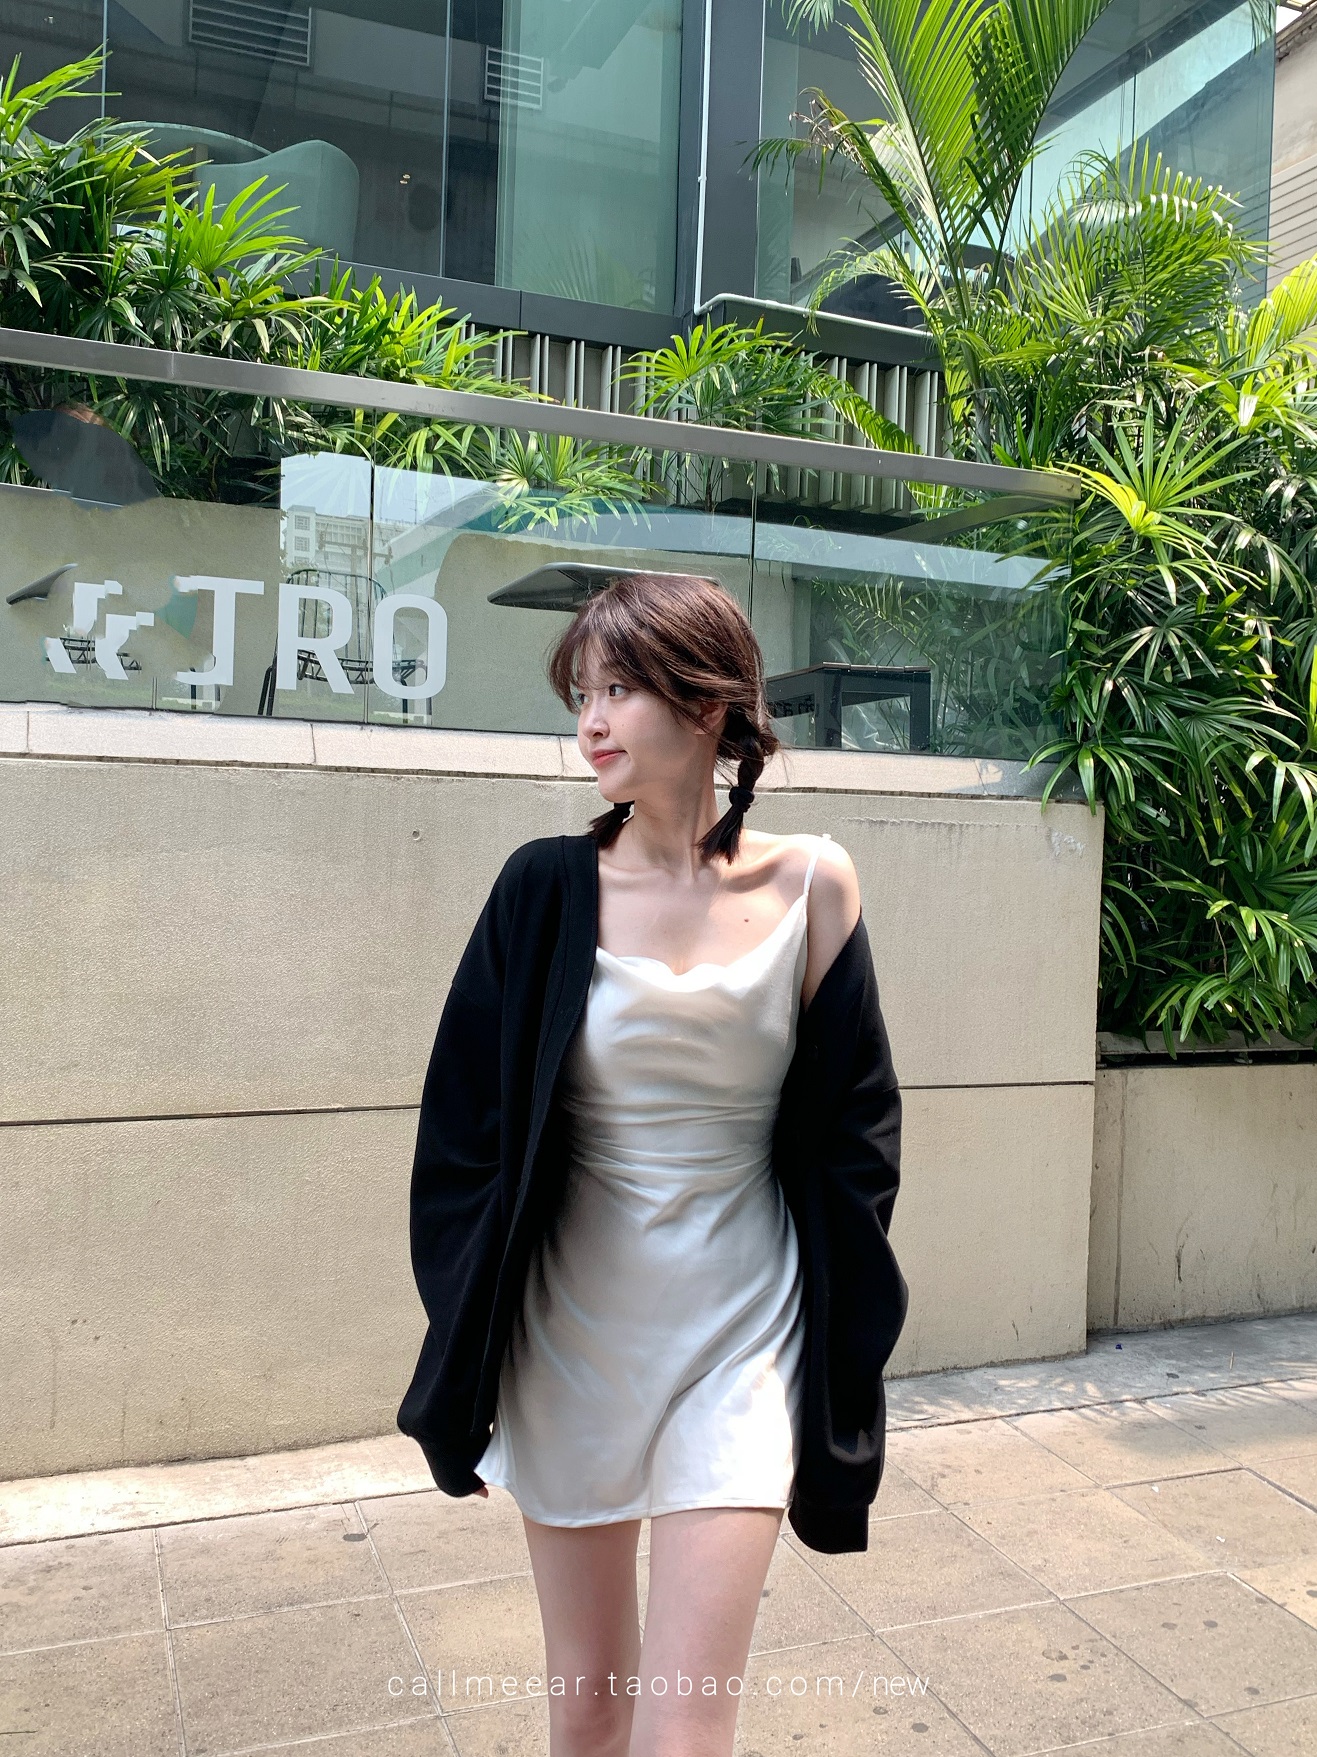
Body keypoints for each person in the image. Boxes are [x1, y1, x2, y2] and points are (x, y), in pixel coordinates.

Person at [398, 571, 908, 1757]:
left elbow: (857, 1139)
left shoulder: (814, 883)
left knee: (685, 1728)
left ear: (709, 702)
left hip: (742, 1329)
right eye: (581, 693)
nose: (591, 720)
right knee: (588, 1711)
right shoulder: (543, 889)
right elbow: (463, 1137)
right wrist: (464, 1346)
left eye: (618, 689)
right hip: (571, 1330)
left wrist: (846, 1346)